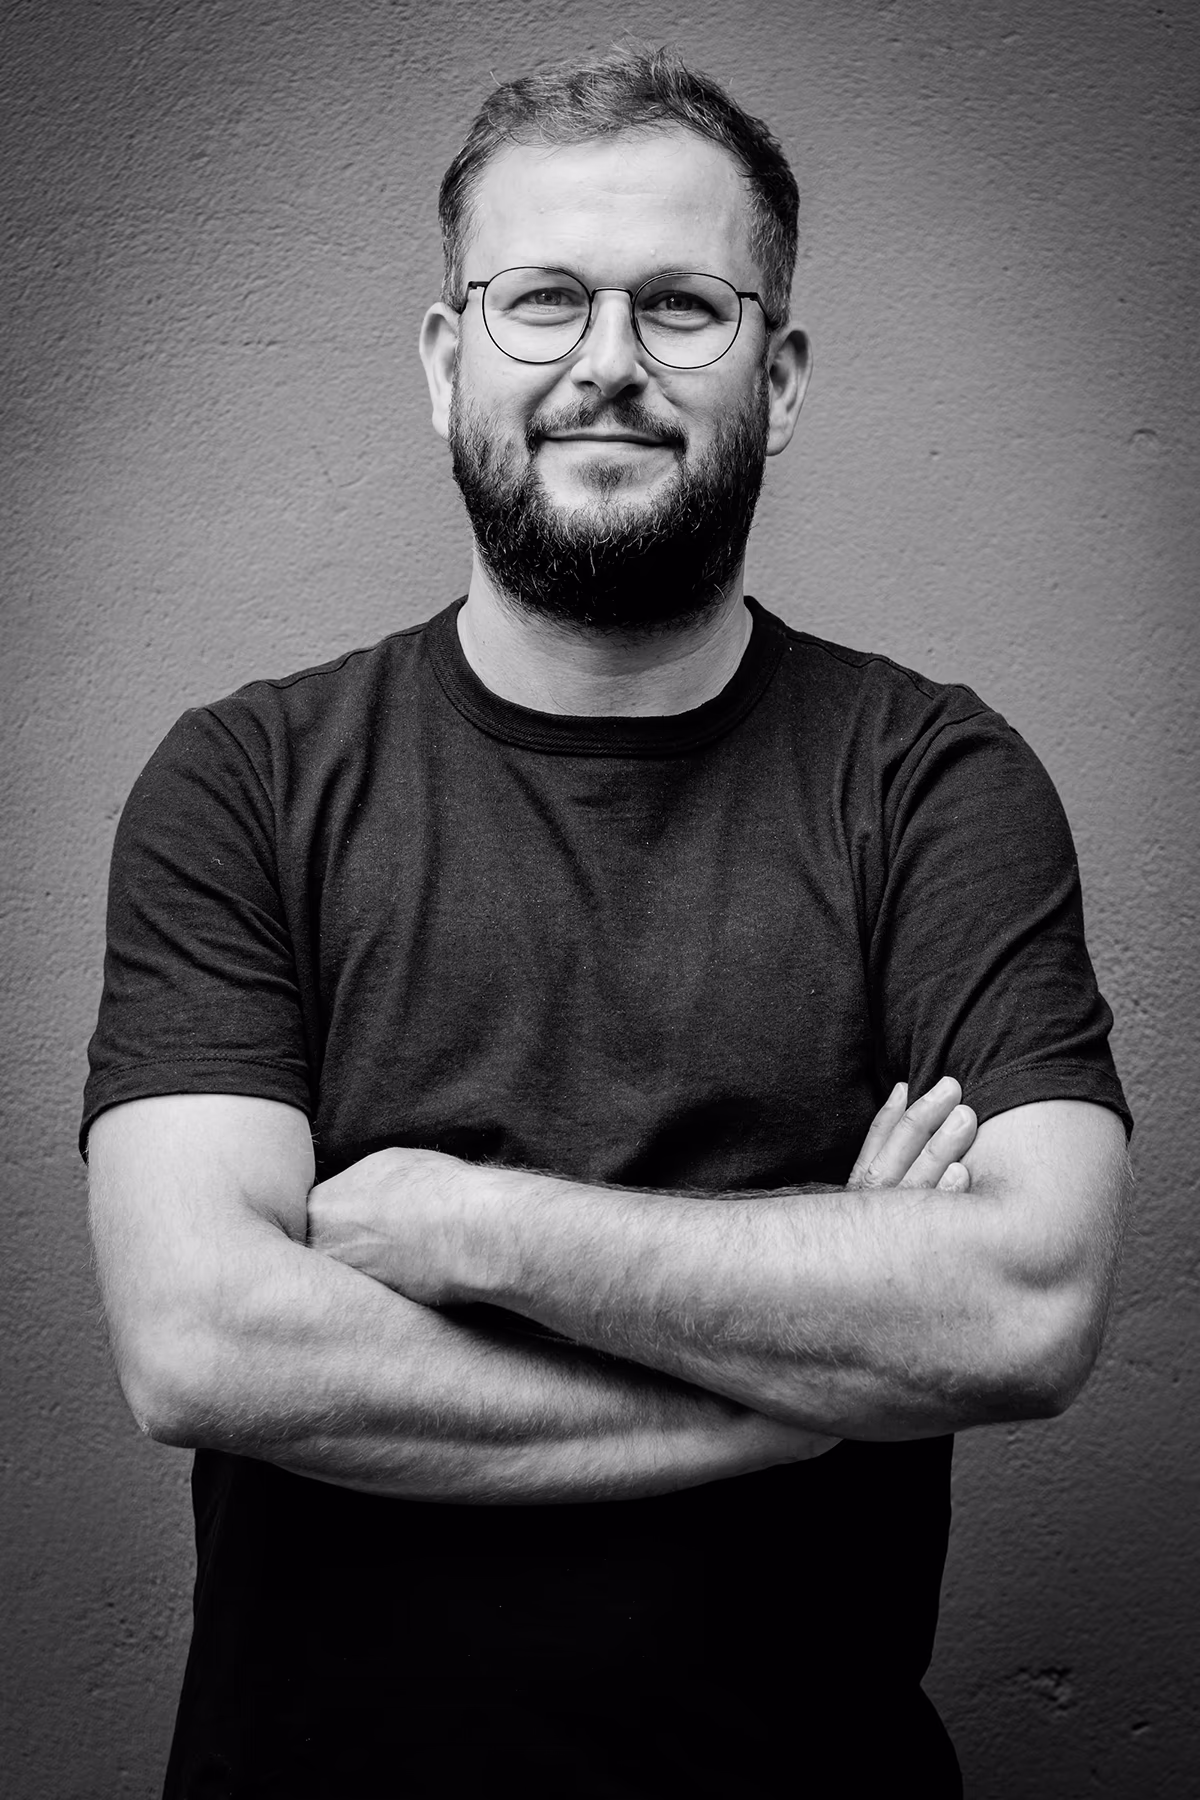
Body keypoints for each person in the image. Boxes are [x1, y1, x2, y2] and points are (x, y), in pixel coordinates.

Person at [83, 46, 1131, 1800]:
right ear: (447, 363)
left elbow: (1028, 1301)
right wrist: (797, 1391)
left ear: (778, 379)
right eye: (544, 299)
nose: (609, 361)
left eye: (682, 305)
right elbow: (203, 1341)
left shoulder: (933, 782)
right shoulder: (244, 783)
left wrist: (465, 1223)